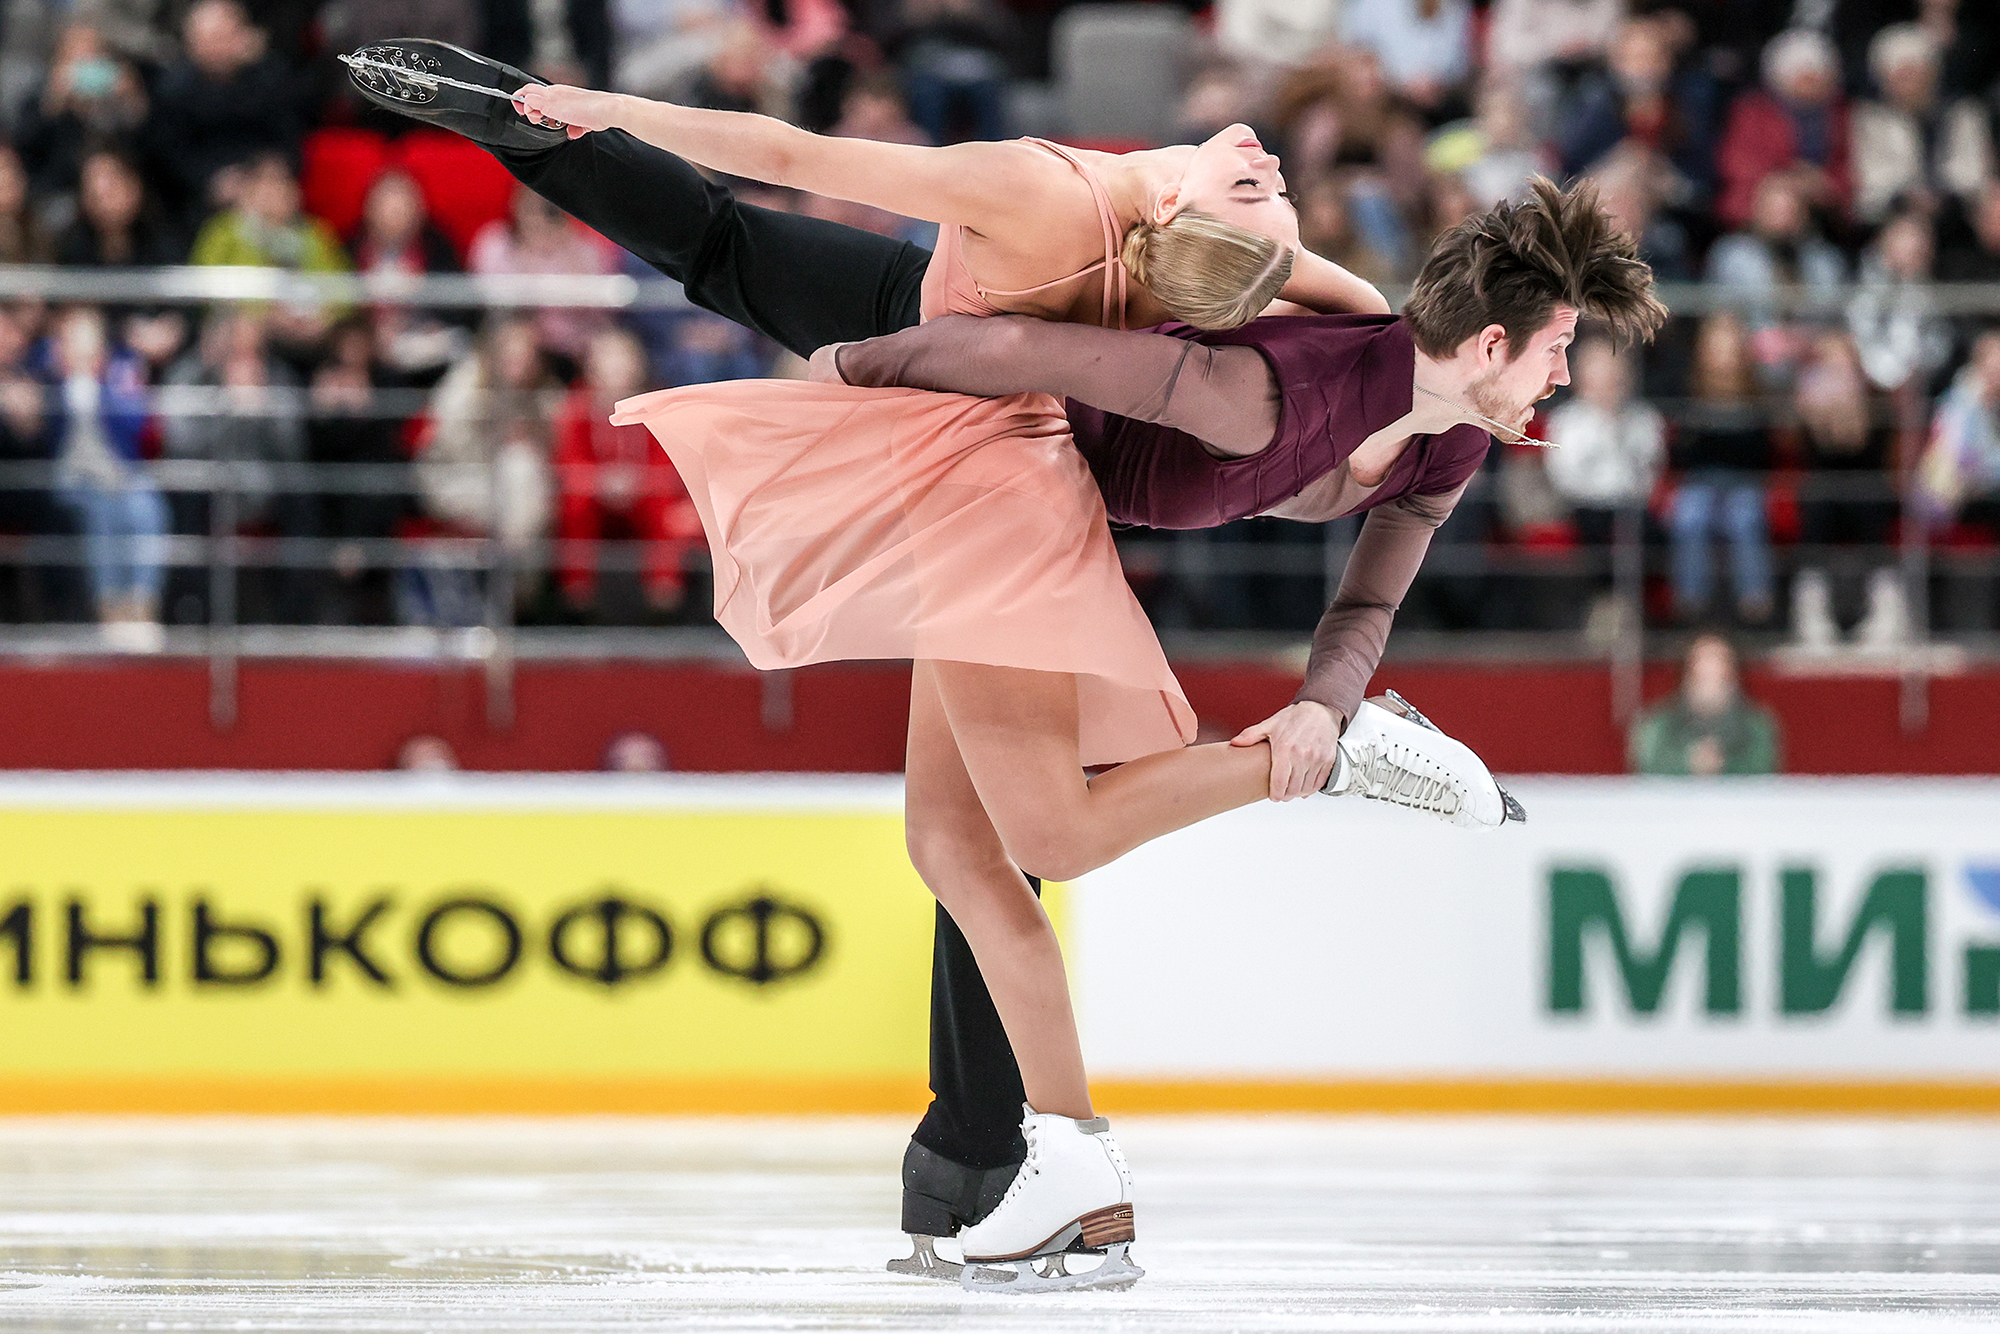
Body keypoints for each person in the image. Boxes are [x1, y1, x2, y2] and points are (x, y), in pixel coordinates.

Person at [349, 40, 1661, 1288]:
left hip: (1010, 462)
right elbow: (835, 185)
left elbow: (1359, 527)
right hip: (978, 408)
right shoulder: (1138, 273)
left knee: (1032, 831)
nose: (1264, 171)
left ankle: (1065, 1117)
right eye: (1554, 353)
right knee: (957, 842)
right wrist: (587, 121)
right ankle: (1028, 1159)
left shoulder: (1354, 339)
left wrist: (1323, 712)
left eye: (1270, 195)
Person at [1667, 313, 1776, 627]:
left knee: (1745, 517)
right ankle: (1690, 605)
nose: (1723, 353)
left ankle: (1756, 606)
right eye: (1716, 345)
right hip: (1700, 480)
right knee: (1690, 514)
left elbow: (1761, 450)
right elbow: (1683, 452)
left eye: (1729, 345)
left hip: (1744, 480)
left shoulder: (1758, 390)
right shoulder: (1687, 387)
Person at [1629, 632, 1780, 776]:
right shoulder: (1656, 724)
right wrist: (1687, 764)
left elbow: (1763, 768)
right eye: (1702, 662)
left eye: (1720, 662)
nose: (1711, 672)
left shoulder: (1757, 726)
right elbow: (1647, 767)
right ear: (1686, 672)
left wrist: (1725, 765)